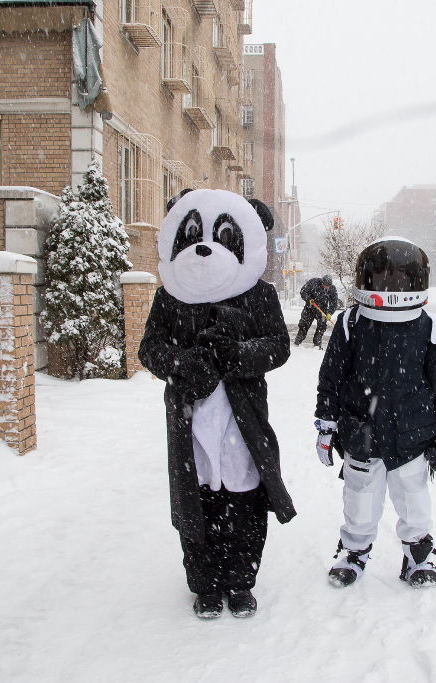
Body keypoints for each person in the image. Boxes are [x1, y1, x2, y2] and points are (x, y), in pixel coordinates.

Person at [139, 188, 296, 620]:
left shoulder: (258, 295)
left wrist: (237, 356)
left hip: (242, 421)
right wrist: (183, 364)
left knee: (245, 502)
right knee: (197, 503)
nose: (205, 247)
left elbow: (278, 345)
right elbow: (150, 348)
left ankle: (241, 581)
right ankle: (205, 584)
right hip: (190, 421)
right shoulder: (170, 296)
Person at [313, 238, 436, 589]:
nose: (390, 285)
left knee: (413, 500)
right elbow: (331, 378)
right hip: (361, 431)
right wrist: (326, 424)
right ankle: (354, 552)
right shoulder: (351, 323)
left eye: (398, 278)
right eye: (382, 277)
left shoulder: (430, 327)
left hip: (412, 434)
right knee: (359, 498)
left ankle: (419, 556)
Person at [294, 274, 339, 348]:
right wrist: (309, 299)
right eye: (325, 285)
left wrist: (330, 313)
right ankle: (297, 342)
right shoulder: (313, 282)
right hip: (310, 308)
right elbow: (303, 292)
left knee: (322, 327)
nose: (327, 287)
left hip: (322, 311)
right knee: (304, 325)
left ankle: (317, 344)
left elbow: (334, 303)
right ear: (322, 282)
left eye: (328, 286)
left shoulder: (332, 289)